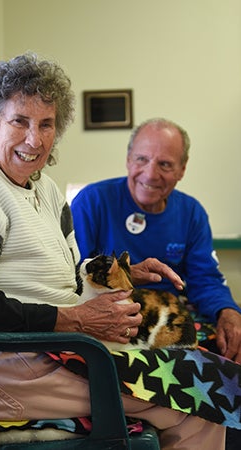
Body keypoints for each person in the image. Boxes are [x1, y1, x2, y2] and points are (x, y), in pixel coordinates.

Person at [0, 54, 225, 450]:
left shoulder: (47, 190)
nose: (34, 139)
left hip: (57, 352)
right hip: (5, 363)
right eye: (19, 121)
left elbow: (67, 279)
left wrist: (128, 275)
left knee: (209, 375)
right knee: (202, 401)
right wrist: (76, 320)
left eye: (46, 124)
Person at [71, 117, 241, 449]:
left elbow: (206, 279)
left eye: (165, 164)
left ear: (182, 168)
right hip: (111, 321)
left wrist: (228, 312)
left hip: (172, 322)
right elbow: (70, 273)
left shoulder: (191, 213)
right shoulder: (91, 201)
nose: (150, 174)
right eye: (142, 160)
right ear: (128, 158)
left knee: (232, 366)